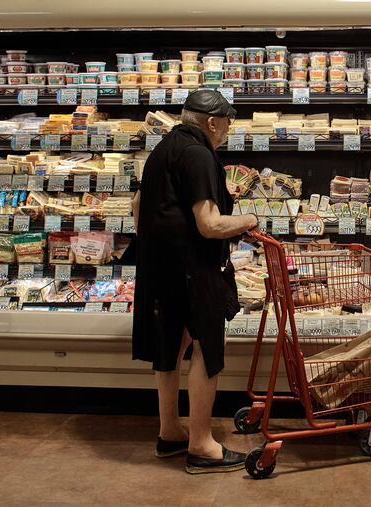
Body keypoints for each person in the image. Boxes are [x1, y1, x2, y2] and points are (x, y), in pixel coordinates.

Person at [131, 89, 258, 474]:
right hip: (194, 270)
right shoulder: (200, 154)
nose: (228, 131)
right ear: (212, 123)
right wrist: (248, 220)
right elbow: (210, 224)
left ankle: (170, 431)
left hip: (159, 268)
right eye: (228, 124)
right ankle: (202, 445)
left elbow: (137, 208)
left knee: (170, 346)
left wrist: (162, 242)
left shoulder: (162, 149)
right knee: (206, 348)